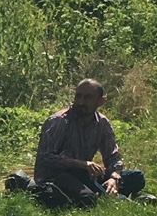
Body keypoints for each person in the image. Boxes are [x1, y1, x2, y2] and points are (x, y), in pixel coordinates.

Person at [30, 79, 148, 207]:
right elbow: (46, 157)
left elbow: (113, 156)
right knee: (85, 190)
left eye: (88, 98)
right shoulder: (59, 121)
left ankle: (106, 190)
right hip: (56, 177)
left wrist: (114, 178)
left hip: (85, 174)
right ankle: (127, 203)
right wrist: (81, 164)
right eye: (78, 96)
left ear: (101, 101)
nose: (81, 102)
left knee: (137, 177)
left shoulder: (102, 124)